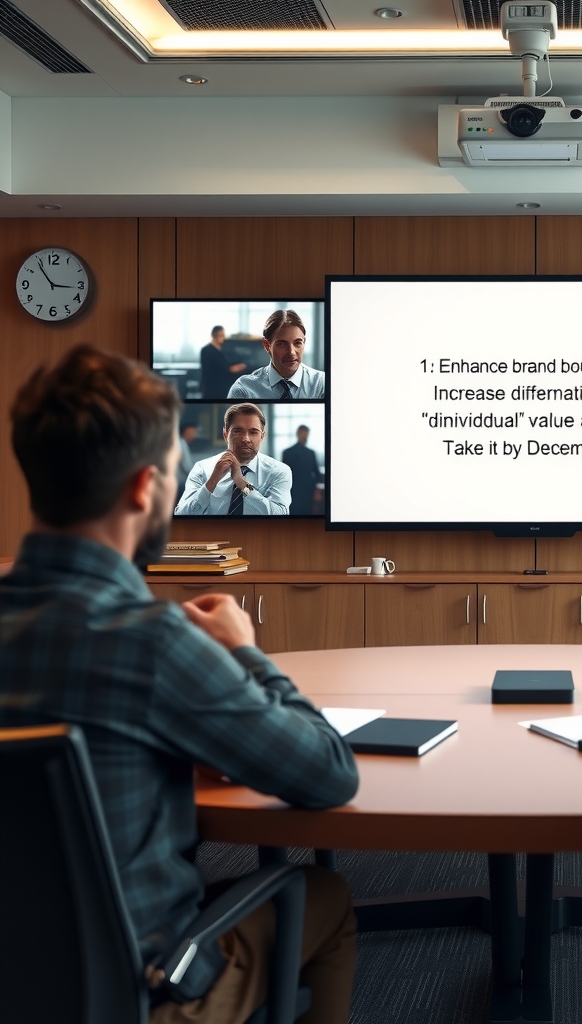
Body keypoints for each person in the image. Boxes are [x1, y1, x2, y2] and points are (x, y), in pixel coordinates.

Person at [0, 345, 360, 1024]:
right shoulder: (152, 643)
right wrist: (246, 654)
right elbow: (328, 774)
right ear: (144, 488)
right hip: (136, 993)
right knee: (326, 897)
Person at [176, 403, 292, 516]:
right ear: (225, 434)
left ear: (262, 436)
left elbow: (281, 514)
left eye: (253, 432)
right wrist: (211, 482)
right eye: (238, 431)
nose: (246, 439)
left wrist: (242, 484)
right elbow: (181, 514)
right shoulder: (202, 468)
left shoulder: (278, 471)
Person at [228, 310, 325, 400]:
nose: (291, 352)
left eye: (298, 343)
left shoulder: (322, 383)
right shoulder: (244, 389)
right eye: (282, 344)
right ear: (267, 345)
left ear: (304, 342)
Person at [282, 424, 323, 516]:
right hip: (293, 492)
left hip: (308, 492)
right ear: (298, 434)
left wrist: (317, 491)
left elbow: (317, 473)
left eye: (306, 434)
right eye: (303, 433)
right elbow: (284, 475)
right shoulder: (288, 453)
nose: (305, 436)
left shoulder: (311, 453)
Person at [200, 325, 247, 399]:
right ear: (215, 337)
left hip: (220, 387)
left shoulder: (221, 349)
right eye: (222, 335)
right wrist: (235, 368)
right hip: (213, 389)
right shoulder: (207, 350)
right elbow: (220, 369)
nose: (224, 337)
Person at [176, 420, 197, 503]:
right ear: (186, 432)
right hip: (179, 484)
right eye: (192, 433)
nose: (194, 436)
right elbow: (187, 467)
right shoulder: (182, 444)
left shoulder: (179, 442)